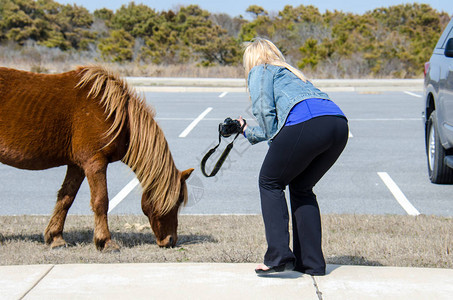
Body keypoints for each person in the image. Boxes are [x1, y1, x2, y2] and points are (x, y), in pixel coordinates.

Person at [237, 38, 348, 276]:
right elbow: (279, 125)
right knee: (301, 187)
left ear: (252, 60)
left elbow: (267, 116)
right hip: (337, 124)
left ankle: (278, 256)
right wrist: (246, 131)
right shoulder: (292, 73)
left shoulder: (261, 70)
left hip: (307, 124)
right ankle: (311, 264)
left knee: (269, 181)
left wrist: (270, 144)